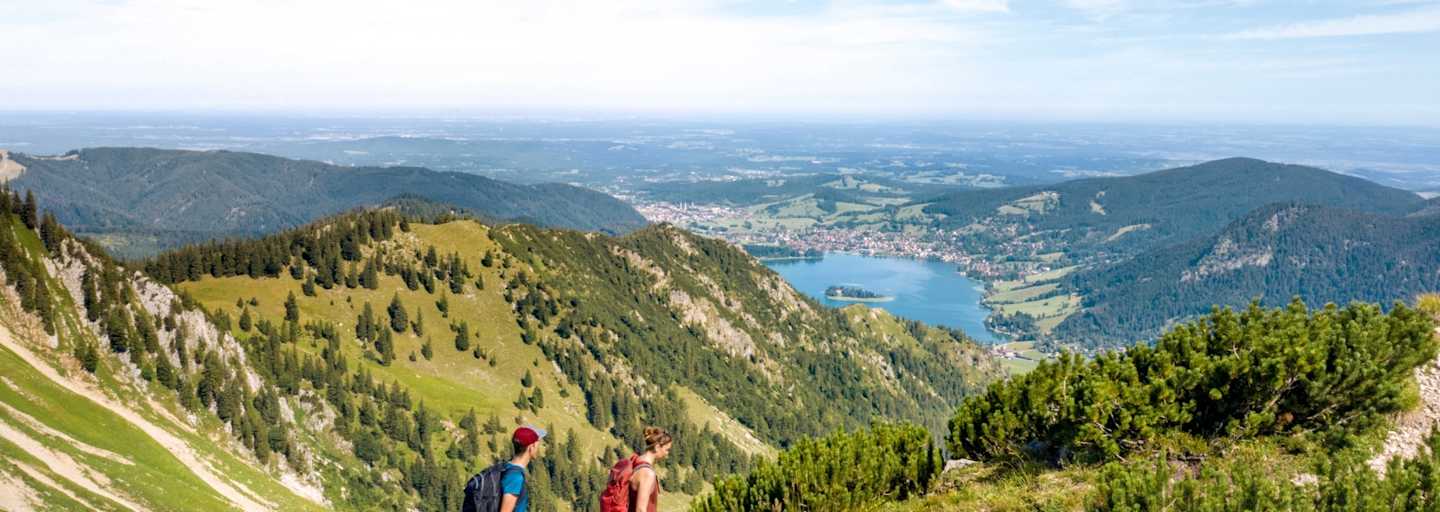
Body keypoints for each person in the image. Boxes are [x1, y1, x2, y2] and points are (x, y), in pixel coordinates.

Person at [501, 425, 545, 512]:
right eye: (537, 443)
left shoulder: (506, 466)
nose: (538, 447)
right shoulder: (515, 477)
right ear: (531, 447)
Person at [628, 427, 672, 512]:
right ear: (657, 447)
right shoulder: (648, 474)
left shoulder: (636, 461)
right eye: (667, 450)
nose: (667, 454)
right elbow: (640, 509)